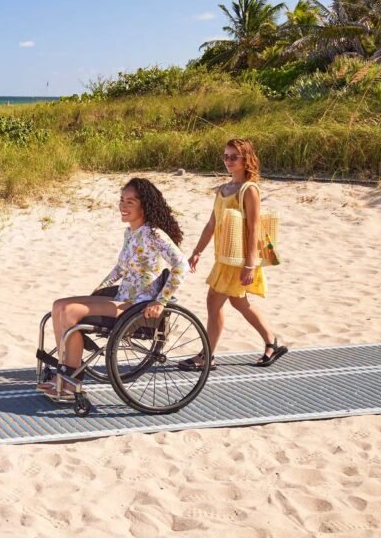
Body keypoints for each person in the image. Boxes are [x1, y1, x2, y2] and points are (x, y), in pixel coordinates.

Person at [38, 177, 189, 399]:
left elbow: (181, 265)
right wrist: (98, 291)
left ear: (144, 205)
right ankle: (65, 373)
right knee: (59, 306)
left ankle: (71, 382)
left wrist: (161, 301)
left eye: (130, 202)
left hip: (137, 306)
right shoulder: (130, 233)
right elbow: (119, 268)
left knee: (70, 311)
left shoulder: (154, 233)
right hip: (121, 299)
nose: (123, 206)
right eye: (121, 200)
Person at [182, 137, 287, 372]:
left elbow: (254, 228)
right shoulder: (223, 189)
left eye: (234, 157)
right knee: (239, 302)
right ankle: (272, 342)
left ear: (246, 159)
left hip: (239, 260)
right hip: (224, 257)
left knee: (213, 303)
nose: (228, 161)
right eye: (225, 156)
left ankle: (207, 356)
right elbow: (211, 224)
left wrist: (250, 265)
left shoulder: (249, 190)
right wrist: (197, 251)